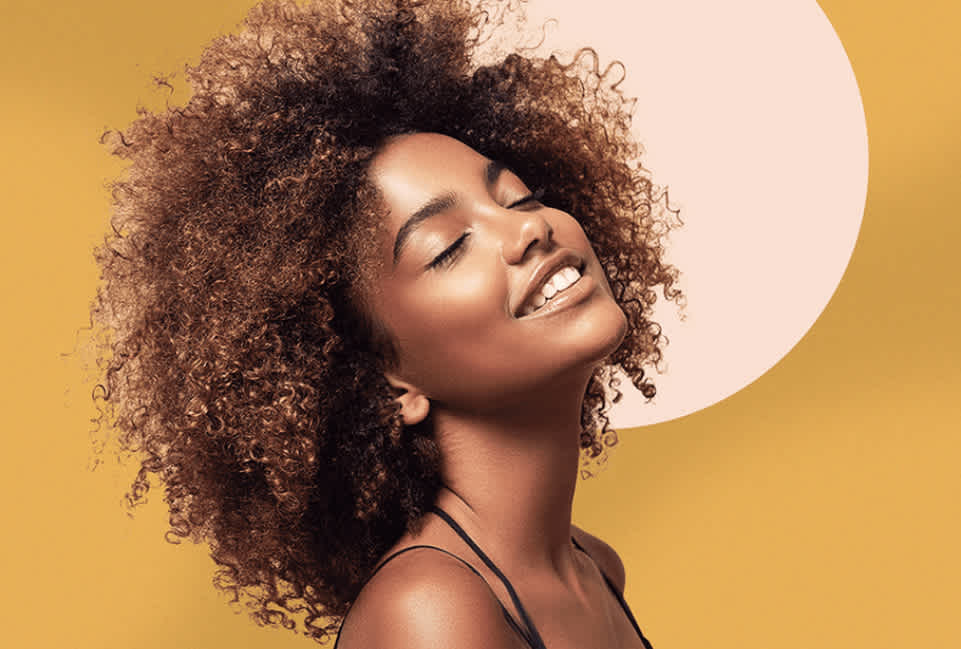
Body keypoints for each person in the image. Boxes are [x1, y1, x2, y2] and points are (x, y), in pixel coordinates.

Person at [90, 0, 680, 646]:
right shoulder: (431, 611)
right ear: (388, 383)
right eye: (449, 247)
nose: (529, 228)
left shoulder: (595, 567)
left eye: (519, 196)